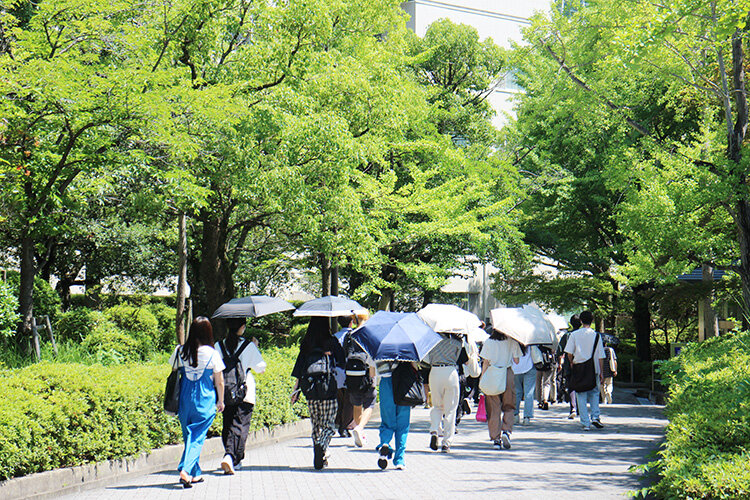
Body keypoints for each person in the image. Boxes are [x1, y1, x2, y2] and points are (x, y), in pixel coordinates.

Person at [169, 316, 225, 488]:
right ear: (208, 333)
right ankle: (185, 470)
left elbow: (173, 369)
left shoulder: (181, 351)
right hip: (204, 398)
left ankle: (195, 473)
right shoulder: (212, 353)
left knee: (190, 436)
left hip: (184, 399)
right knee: (197, 437)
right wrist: (221, 401)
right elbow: (220, 380)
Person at [290, 317, 346, 470]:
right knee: (329, 426)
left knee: (316, 424)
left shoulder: (306, 343)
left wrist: (296, 390)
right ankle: (321, 446)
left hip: (310, 390)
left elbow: (299, 369)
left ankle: (319, 451)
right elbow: (342, 361)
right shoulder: (331, 341)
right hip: (328, 389)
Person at [216, 318, 266, 475]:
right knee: (240, 426)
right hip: (245, 391)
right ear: (242, 327)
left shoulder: (219, 345)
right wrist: (255, 349)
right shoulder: (248, 346)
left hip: (225, 391)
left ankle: (232, 457)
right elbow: (261, 369)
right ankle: (231, 457)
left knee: (228, 425)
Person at [424, 333, 475, 452]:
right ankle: (446, 442)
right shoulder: (457, 342)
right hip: (451, 371)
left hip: (435, 371)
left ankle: (434, 430)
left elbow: (426, 359)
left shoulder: (432, 341)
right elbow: (464, 360)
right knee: (451, 409)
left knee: (437, 406)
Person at [564, 310, 606, 430]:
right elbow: (601, 356)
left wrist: (572, 362)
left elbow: (569, 353)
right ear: (592, 321)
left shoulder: (574, 335)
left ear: (581, 321)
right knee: (594, 393)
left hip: (579, 368)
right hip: (594, 369)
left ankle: (585, 422)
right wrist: (602, 372)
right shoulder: (597, 336)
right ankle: (595, 417)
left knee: (581, 394)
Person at [480, 330, 521, 449]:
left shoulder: (488, 342)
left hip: (492, 373)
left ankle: (496, 439)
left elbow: (485, 362)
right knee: (509, 405)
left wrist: (483, 378)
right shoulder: (512, 342)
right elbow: (517, 361)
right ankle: (506, 431)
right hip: (507, 373)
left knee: (493, 408)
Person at [341, 313, 376, 448]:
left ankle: (360, 433)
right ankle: (359, 428)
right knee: (370, 403)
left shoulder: (350, 336)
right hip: (367, 374)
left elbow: (344, 353)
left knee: (357, 404)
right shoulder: (369, 334)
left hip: (352, 376)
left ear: (354, 320)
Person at [375, 360, 414, 470]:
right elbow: (413, 365)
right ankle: (399, 460)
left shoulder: (379, 347)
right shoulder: (406, 347)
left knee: (387, 421)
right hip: (403, 382)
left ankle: (385, 443)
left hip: (386, 382)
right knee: (403, 425)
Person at [334, 316, 355, 438]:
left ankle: (339, 423)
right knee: (349, 401)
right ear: (351, 322)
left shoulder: (334, 337)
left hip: (336, 371)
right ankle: (344, 427)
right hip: (351, 371)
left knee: (339, 399)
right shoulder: (355, 335)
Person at [557, 314, 582, 419]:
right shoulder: (584, 335)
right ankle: (581, 408)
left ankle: (573, 408)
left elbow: (559, 351)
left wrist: (560, 362)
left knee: (571, 386)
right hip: (582, 363)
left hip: (569, 365)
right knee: (581, 386)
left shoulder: (567, 336)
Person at [512, 344, 539, 425]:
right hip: (529, 367)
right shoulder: (529, 340)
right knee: (529, 393)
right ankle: (527, 417)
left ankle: (515, 415)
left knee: (517, 392)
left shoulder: (513, 341)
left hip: (515, 368)